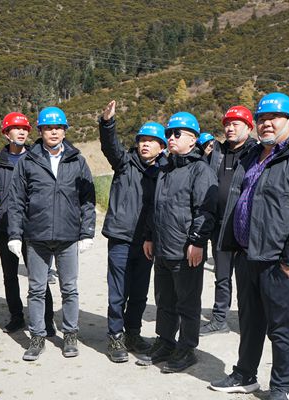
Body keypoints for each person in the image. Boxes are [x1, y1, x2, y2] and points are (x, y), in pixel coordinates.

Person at [209, 93, 289, 399]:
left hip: (277, 260)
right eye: (261, 118)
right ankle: (245, 375)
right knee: (249, 322)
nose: (266, 123)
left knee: (280, 328)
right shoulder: (253, 156)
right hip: (247, 254)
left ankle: (282, 387)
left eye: (274, 117)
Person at [7, 106, 95, 361]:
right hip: (37, 237)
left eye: (58, 127)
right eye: (48, 128)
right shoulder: (28, 161)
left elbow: (88, 199)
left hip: (68, 237)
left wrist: (87, 232)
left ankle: (70, 335)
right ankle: (37, 337)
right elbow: (16, 201)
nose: (54, 131)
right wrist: (15, 234)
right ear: (41, 131)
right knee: (36, 289)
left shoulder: (77, 160)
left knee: (69, 289)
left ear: (65, 130)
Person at [139, 111, 218, 373]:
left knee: (187, 303)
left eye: (176, 133)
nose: (170, 138)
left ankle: (186, 348)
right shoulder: (165, 169)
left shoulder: (200, 170)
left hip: (185, 250)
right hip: (162, 247)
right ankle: (165, 342)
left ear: (193, 139)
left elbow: (205, 211)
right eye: (168, 134)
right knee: (164, 300)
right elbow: (155, 207)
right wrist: (149, 236)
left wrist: (197, 242)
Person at [98, 100, 168, 363]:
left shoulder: (165, 171)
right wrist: (107, 123)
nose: (145, 144)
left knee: (139, 292)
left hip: (147, 241)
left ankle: (133, 334)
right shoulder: (124, 162)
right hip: (121, 238)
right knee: (118, 292)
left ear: (162, 146)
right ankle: (115, 336)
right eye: (142, 140)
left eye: (152, 141)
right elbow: (109, 145)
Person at [0, 112, 54, 335]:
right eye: (16, 128)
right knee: (10, 275)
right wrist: (1, 215)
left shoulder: (38, 159)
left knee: (39, 276)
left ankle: (47, 319)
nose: (22, 132)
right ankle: (16, 317)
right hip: (5, 228)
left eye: (25, 129)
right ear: (6, 133)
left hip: (32, 229)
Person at [200, 105, 257, 336]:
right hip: (220, 226)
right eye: (227, 124)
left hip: (245, 226)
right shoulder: (217, 151)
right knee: (221, 276)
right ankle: (219, 319)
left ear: (249, 127)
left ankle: (250, 322)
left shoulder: (256, 152)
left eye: (235, 124)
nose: (230, 128)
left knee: (248, 279)